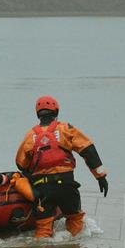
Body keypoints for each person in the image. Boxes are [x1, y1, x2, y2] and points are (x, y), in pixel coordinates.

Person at [15, 95, 109, 238]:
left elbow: (21, 163)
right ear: (56, 112)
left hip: (42, 189)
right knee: (75, 219)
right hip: (66, 185)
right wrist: (100, 176)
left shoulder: (30, 136)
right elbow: (88, 150)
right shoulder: (66, 129)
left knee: (43, 227)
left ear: (37, 114)